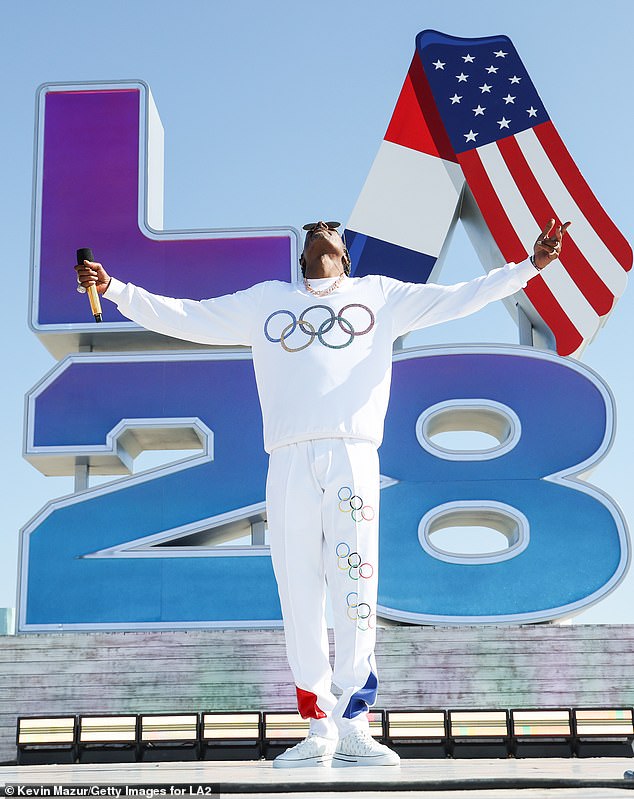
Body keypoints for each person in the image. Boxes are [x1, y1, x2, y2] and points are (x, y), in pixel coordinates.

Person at [76, 218, 569, 768]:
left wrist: (529, 267)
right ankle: (317, 728)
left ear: (345, 255)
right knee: (298, 590)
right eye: (313, 227)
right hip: (287, 459)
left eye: (331, 228)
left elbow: (460, 297)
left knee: (355, 582)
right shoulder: (267, 303)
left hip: (352, 454)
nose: (321, 229)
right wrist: (116, 288)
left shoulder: (379, 297)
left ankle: (355, 721)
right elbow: (190, 316)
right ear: (303, 254)